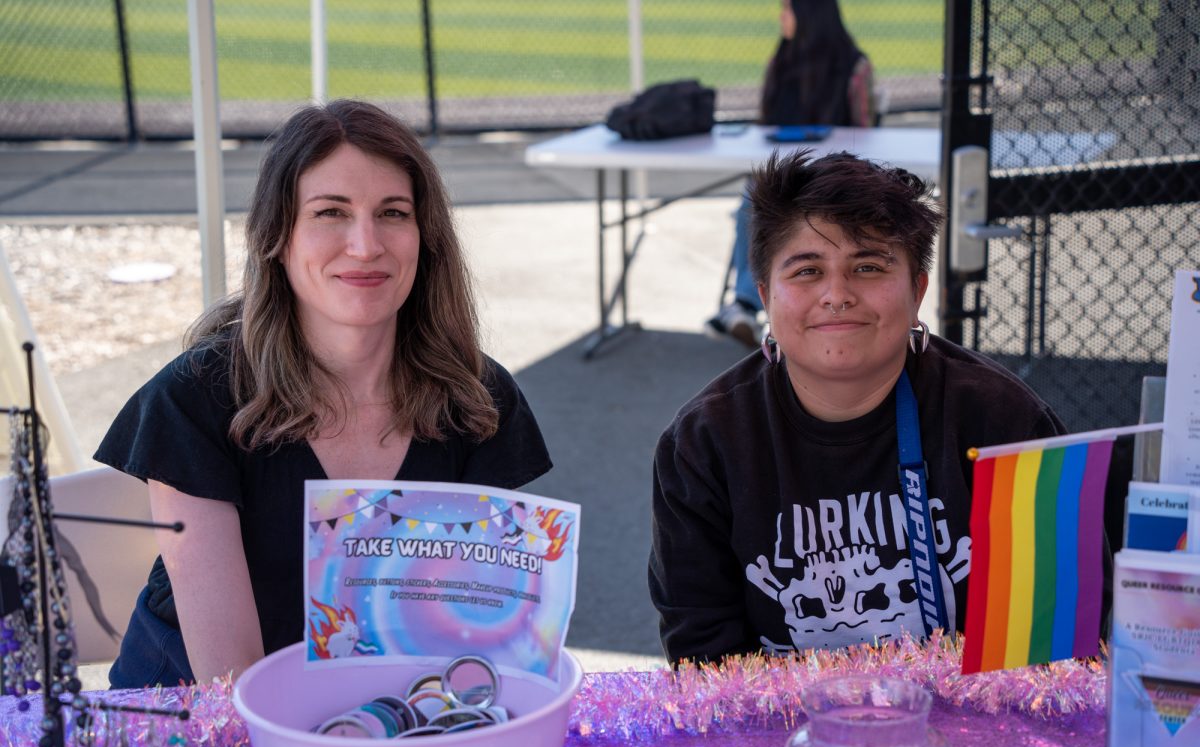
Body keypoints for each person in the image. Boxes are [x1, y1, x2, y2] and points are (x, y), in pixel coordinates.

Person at [96, 100, 552, 687]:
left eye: (393, 212)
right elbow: (228, 683)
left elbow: (477, 640)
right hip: (192, 730)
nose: (365, 245)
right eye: (330, 212)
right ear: (277, 238)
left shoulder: (477, 398)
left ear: (425, 238)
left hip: (389, 720)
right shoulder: (193, 399)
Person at [651, 150, 1069, 663]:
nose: (837, 294)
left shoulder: (1007, 421)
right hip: (776, 736)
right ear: (765, 296)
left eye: (868, 266)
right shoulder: (704, 443)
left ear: (917, 291)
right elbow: (702, 656)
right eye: (806, 270)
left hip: (970, 730)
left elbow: (1053, 649)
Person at [707, 0, 875, 348]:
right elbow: (766, 118)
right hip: (781, 168)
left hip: (837, 172)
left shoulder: (854, 66)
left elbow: (865, 129)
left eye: (787, 10)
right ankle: (747, 304)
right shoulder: (780, 61)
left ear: (807, 15)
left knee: (763, 205)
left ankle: (753, 306)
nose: (781, 18)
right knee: (753, 200)